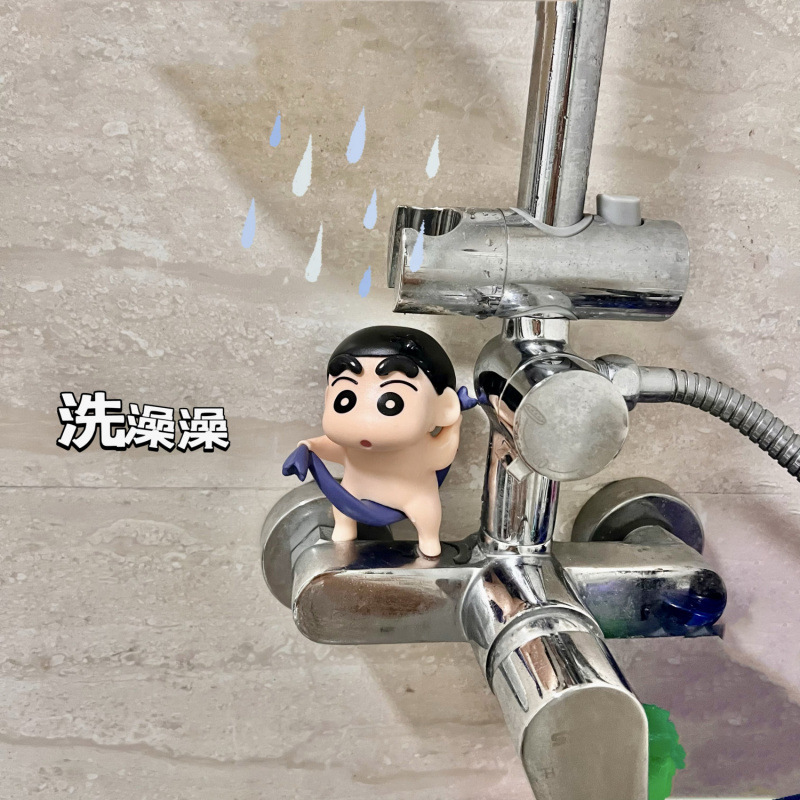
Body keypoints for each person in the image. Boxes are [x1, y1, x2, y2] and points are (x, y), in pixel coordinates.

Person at [296, 325, 463, 559]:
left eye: (392, 402)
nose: (364, 421)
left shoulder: (422, 448)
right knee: (343, 511)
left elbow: (442, 456)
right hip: (352, 495)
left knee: (424, 509)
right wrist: (308, 446)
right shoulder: (349, 445)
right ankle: (344, 527)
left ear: (444, 408)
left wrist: (454, 426)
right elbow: (330, 448)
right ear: (328, 398)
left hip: (412, 496)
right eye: (345, 398)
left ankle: (428, 540)